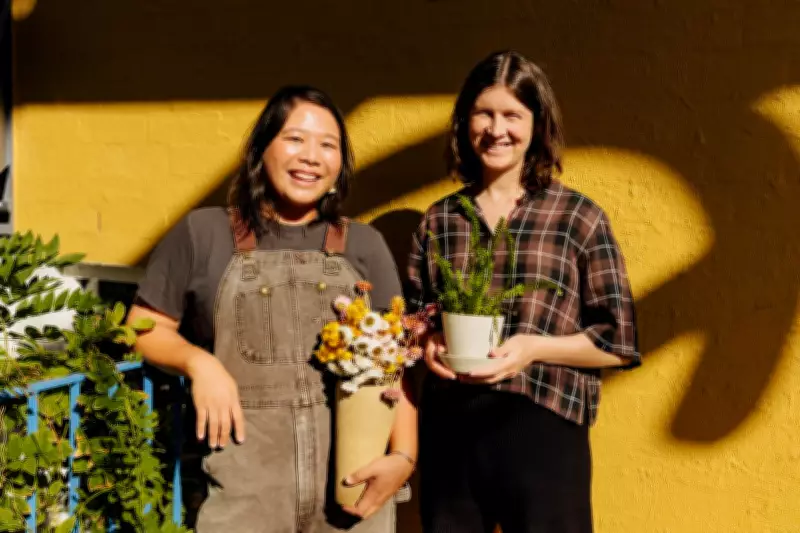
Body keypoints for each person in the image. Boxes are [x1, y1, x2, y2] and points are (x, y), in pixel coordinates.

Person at [128, 85, 417, 533]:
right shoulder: (203, 233)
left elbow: (394, 368)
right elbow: (143, 328)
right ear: (261, 150)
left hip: (353, 496)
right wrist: (199, 363)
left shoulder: (364, 245)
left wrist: (403, 456)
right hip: (245, 499)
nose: (311, 157)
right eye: (294, 139)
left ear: (340, 165)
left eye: (328, 145)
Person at [407, 50, 641, 533]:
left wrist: (532, 348)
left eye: (512, 115)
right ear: (464, 122)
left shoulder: (577, 217)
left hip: (543, 426)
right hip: (452, 429)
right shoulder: (440, 221)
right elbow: (414, 322)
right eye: (484, 114)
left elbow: (617, 342)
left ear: (538, 124)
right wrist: (427, 342)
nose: (497, 130)